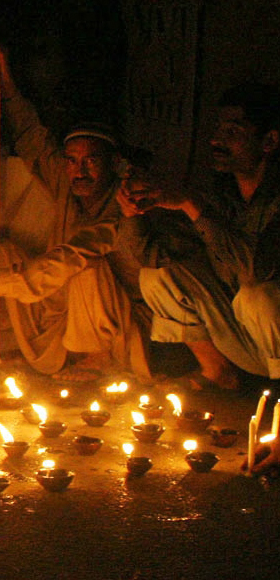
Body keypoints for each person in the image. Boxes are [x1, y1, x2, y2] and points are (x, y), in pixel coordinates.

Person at [0, 50, 151, 383]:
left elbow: (71, 255)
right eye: (72, 160)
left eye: (91, 161)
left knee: (84, 267)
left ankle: (100, 357)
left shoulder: (126, 205)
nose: (80, 171)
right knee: (4, 250)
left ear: (114, 164)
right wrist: (5, 83)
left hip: (118, 322)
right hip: (61, 310)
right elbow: (31, 137)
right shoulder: (68, 183)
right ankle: (47, 348)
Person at [120, 82, 280, 391]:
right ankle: (217, 369)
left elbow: (254, 270)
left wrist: (190, 205)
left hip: (270, 330)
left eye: (232, 132)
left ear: (269, 141)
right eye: (217, 130)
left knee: (257, 297)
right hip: (248, 340)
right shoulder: (222, 195)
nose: (215, 140)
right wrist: (132, 213)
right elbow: (153, 257)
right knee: (157, 277)